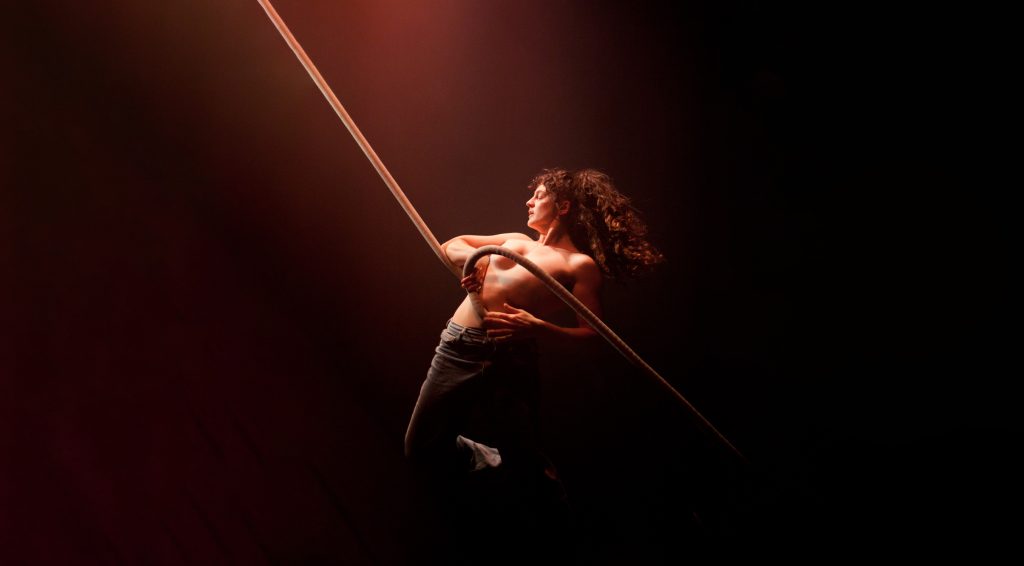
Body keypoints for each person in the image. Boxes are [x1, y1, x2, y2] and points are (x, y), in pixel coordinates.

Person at [403, 168, 663, 561]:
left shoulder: (578, 266)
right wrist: (473, 263)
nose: (528, 201)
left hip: (512, 361)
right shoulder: (514, 241)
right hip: (460, 347)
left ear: (562, 206)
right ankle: (487, 458)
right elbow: (450, 245)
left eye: (537, 195)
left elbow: (594, 336)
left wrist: (539, 327)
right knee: (420, 446)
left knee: (530, 472)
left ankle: (562, 539)